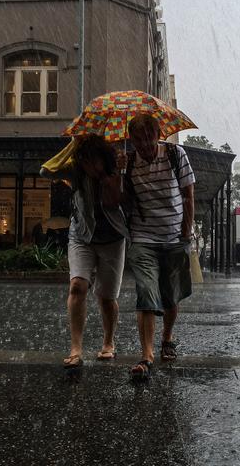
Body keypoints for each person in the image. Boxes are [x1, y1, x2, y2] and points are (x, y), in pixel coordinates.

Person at [40, 134, 128, 369]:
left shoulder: (118, 169)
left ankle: (108, 342)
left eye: (92, 159)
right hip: (82, 235)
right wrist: (73, 145)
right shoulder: (75, 171)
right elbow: (45, 172)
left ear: (103, 158)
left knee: (106, 297)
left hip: (113, 238)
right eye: (83, 159)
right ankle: (76, 349)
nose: (87, 164)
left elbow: (124, 200)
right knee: (77, 286)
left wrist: (118, 174)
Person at [124, 113, 195, 380]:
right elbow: (121, 200)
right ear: (130, 141)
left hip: (174, 237)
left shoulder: (176, 155)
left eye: (148, 138)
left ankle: (167, 337)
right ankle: (147, 356)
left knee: (170, 296)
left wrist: (185, 233)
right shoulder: (129, 162)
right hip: (143, 238)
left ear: (158, 134)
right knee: (145, 292)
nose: (144, 145)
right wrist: (119, 173)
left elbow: (189, 196)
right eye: (138, 141)